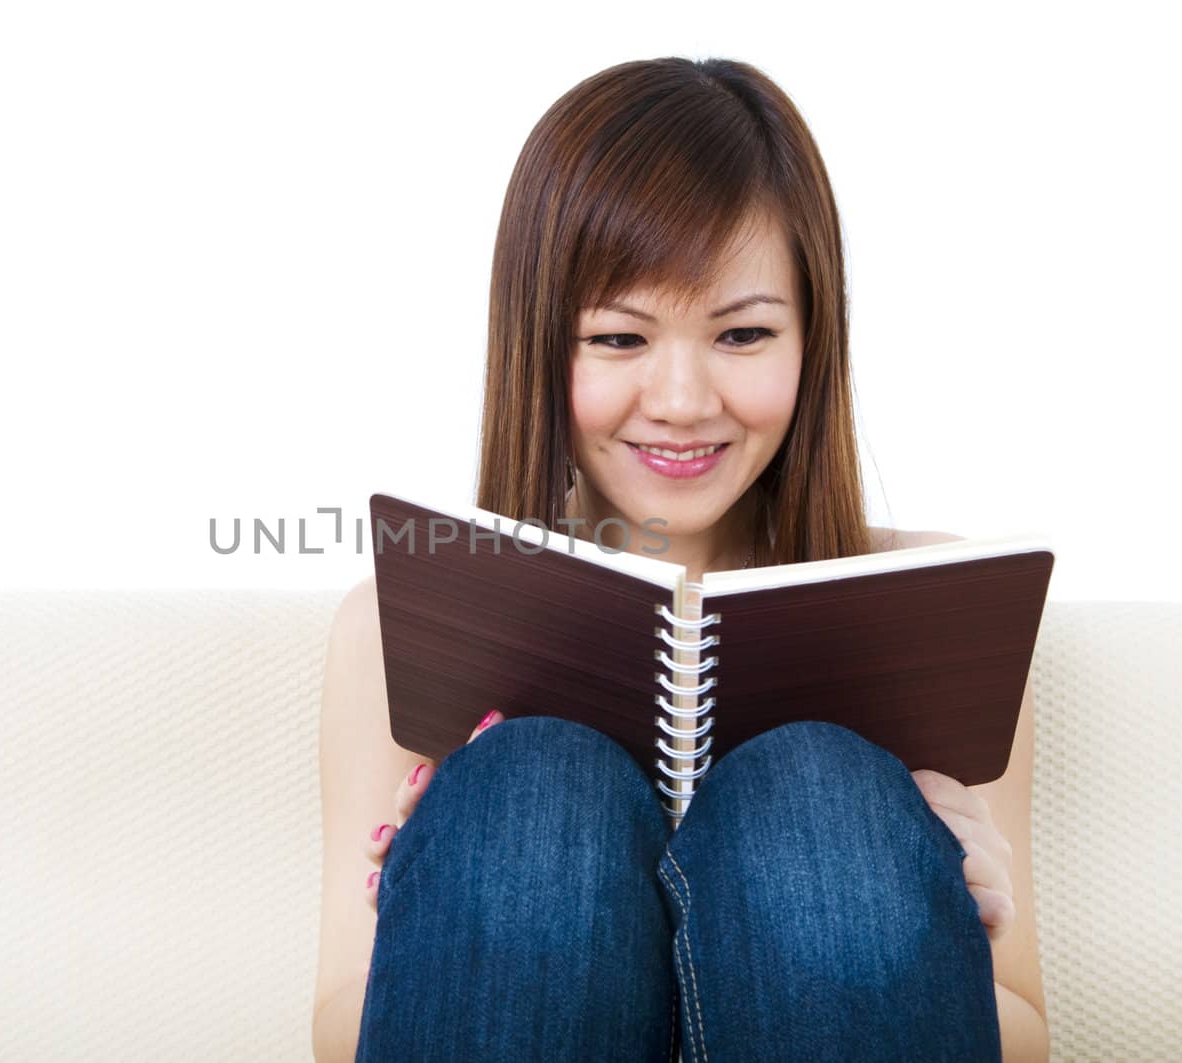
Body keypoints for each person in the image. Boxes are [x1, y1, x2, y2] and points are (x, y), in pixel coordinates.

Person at [312, 56, 1049, 1062]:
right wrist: (440, 908)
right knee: (530, 787)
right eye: (618, 338)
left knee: (821, 793)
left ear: (813, 341)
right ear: (537, 345)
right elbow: (337, 1023)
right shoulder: (402, 617)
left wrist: (958, 924)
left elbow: (1025, 1031)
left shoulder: (939, 607)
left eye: (742, 333)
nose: (681, 399)